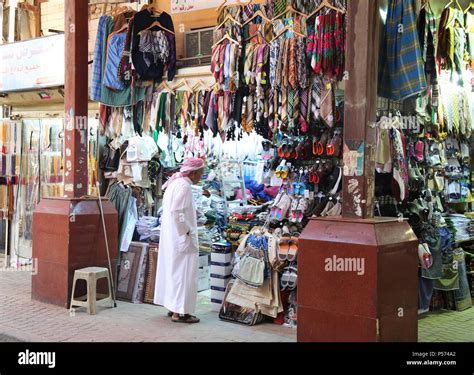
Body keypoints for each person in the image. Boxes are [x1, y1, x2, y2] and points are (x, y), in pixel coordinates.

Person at [154, 157, 205, 323]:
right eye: (201, 172)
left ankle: (173, 307)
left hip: (172, 237)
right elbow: (178, 212)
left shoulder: (175, 183)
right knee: (185, 274)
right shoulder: (184, 186)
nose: (202, 176)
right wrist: (186, 232)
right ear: (194, 173)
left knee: (174, 272)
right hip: (181, 237)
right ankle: (180, 313)